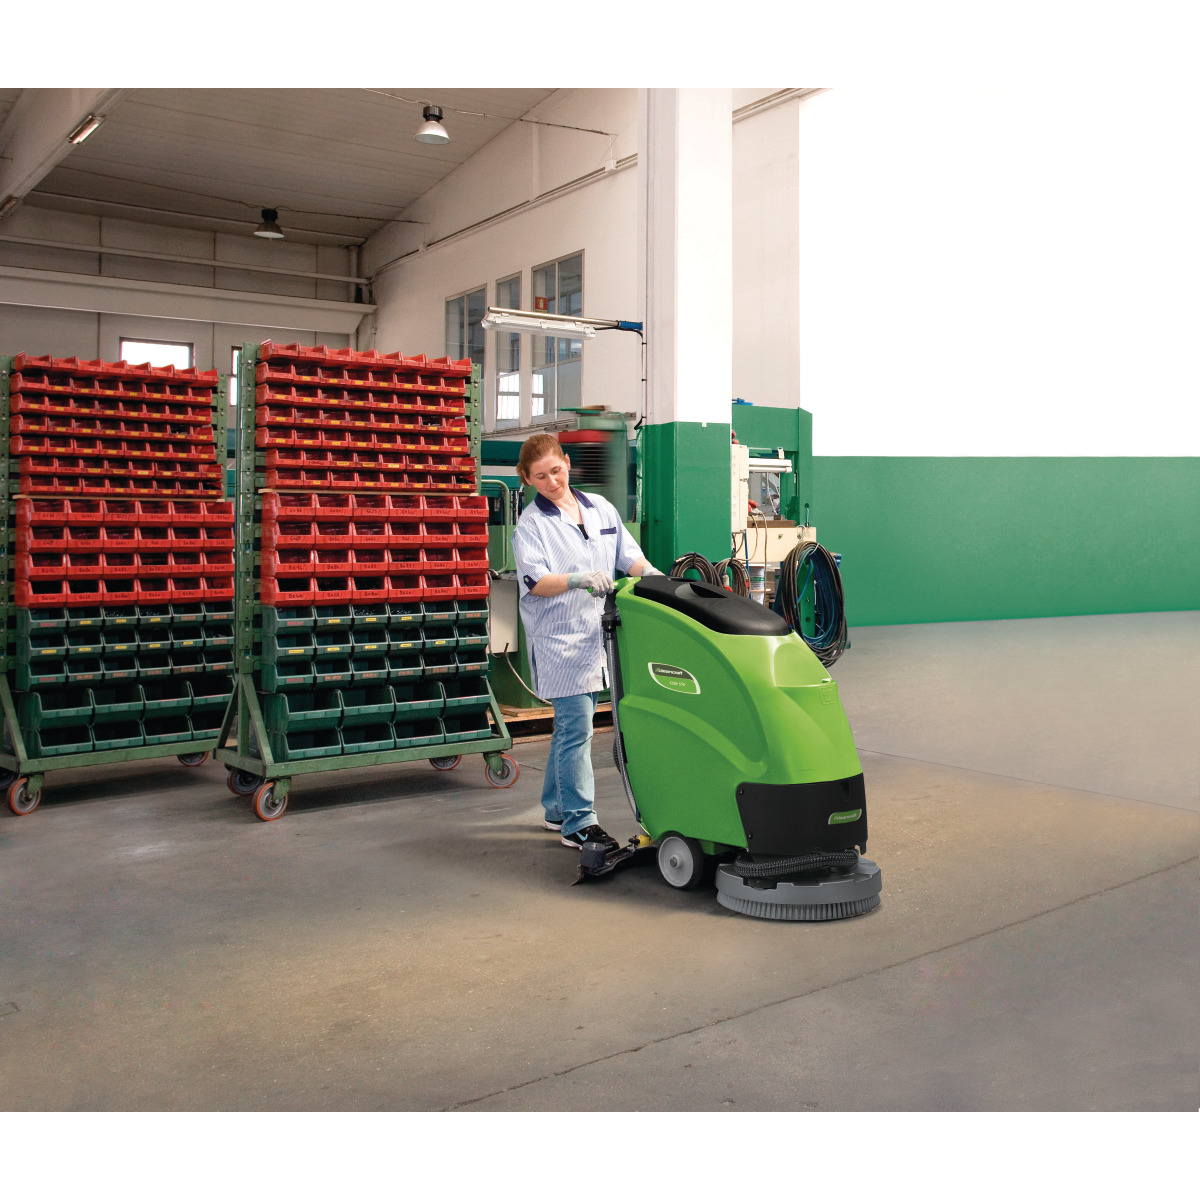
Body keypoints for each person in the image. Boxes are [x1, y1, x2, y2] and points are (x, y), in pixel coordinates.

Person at [510, 433, 661, 851]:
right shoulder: (531, 526)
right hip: (560, 639)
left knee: (572, 727)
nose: (551, 482)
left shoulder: (599, 507)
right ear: (527, 479)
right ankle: (579, 822)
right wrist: (577, 580)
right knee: (577, 727)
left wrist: (654, 577)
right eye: (540, 477)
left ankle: (556, 809)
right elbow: (536, 581)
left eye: (556, 471)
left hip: (598, 638)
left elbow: (629, 557)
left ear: (567, 463)